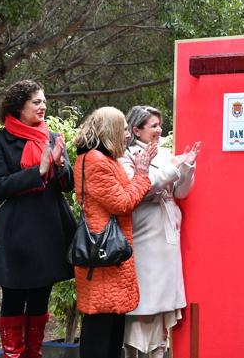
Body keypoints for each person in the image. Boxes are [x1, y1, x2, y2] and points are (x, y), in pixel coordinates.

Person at [0, 80, 75, 358]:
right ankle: (13, 354)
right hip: (15, 233)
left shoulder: (53, 137)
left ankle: (34, 353)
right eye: (36, 102)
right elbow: (0, 185)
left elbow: (67, 186)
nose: (43, 106)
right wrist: (39, 169)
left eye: (44, 101)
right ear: (19, 106)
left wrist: (59, 165)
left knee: (40, 299)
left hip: (49, 230)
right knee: (14, 297)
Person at [72, 106, 155, 358]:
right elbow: (123, 203)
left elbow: (127, 193)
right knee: (100, 328)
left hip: (112, 253)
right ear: (111, 131)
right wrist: (142, 174)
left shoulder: (106, 159)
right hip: (103, 253)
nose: (127, 135)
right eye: (123, 130)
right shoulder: (95, 161)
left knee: (112, 327)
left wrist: (138, 178)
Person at [119, 106, 200, 358]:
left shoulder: (164, 155)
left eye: (159, 125)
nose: (159, 130)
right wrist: (174, 167)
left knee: (162, 304)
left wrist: (186, 168)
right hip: (144, 233)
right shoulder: (125, 157)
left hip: (167, 235)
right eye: (153, 125)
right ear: (136, 130)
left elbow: (180, 192)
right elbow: (140, 189)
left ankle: (158, 351)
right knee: (143, 303)